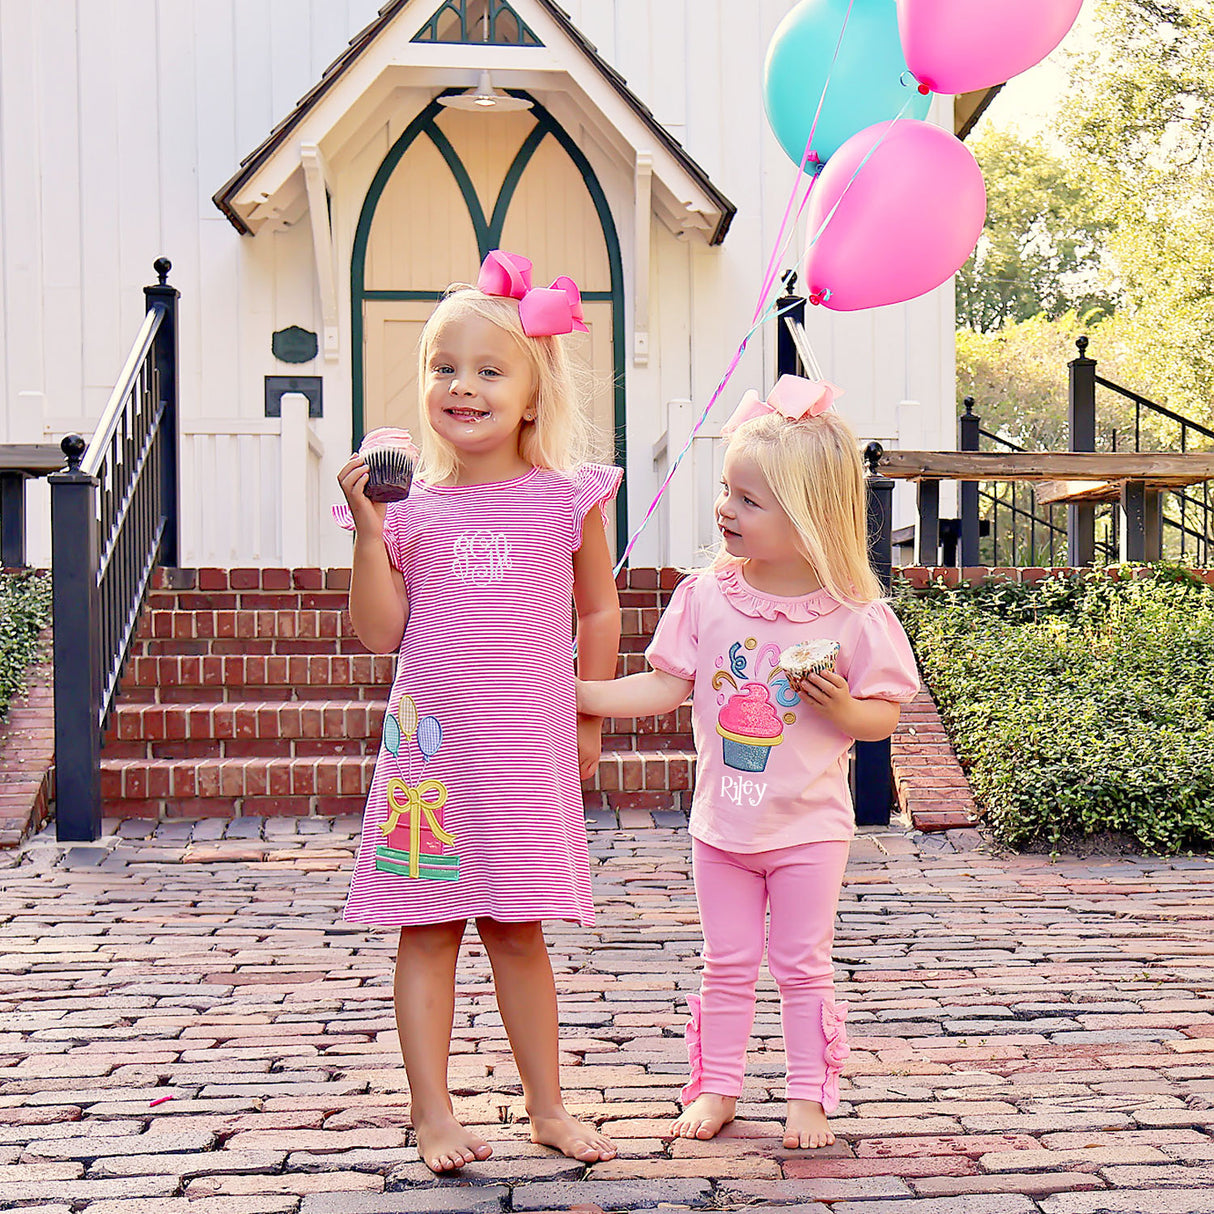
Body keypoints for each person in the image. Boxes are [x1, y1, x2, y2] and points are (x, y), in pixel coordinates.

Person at [578, 375, 919, 1150]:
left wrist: (841, 707)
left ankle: (808, 1096)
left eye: (748, 500)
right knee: (725, 963)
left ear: (807, 515)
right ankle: (717, 1086)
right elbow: (665, 685)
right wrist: (581, 691)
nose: (725, 509)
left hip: (810, 829)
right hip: (721, 827)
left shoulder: (855, 616)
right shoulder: (706, 596)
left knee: (803, 966)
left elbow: (882, 717)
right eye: (726, 492)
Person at [335, 250, 622, 1173]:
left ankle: (547, 1107)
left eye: (490, 370)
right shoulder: (406, 509)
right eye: (444, 367)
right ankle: (433, 1114)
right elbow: (380, 633)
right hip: (430, 762)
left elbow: (598, 612)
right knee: (427, 929)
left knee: (517, 931)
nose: (463, 386)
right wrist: (370, 532)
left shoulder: (567, 498)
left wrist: (588, 715)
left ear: (533, 397)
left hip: (523, 752)